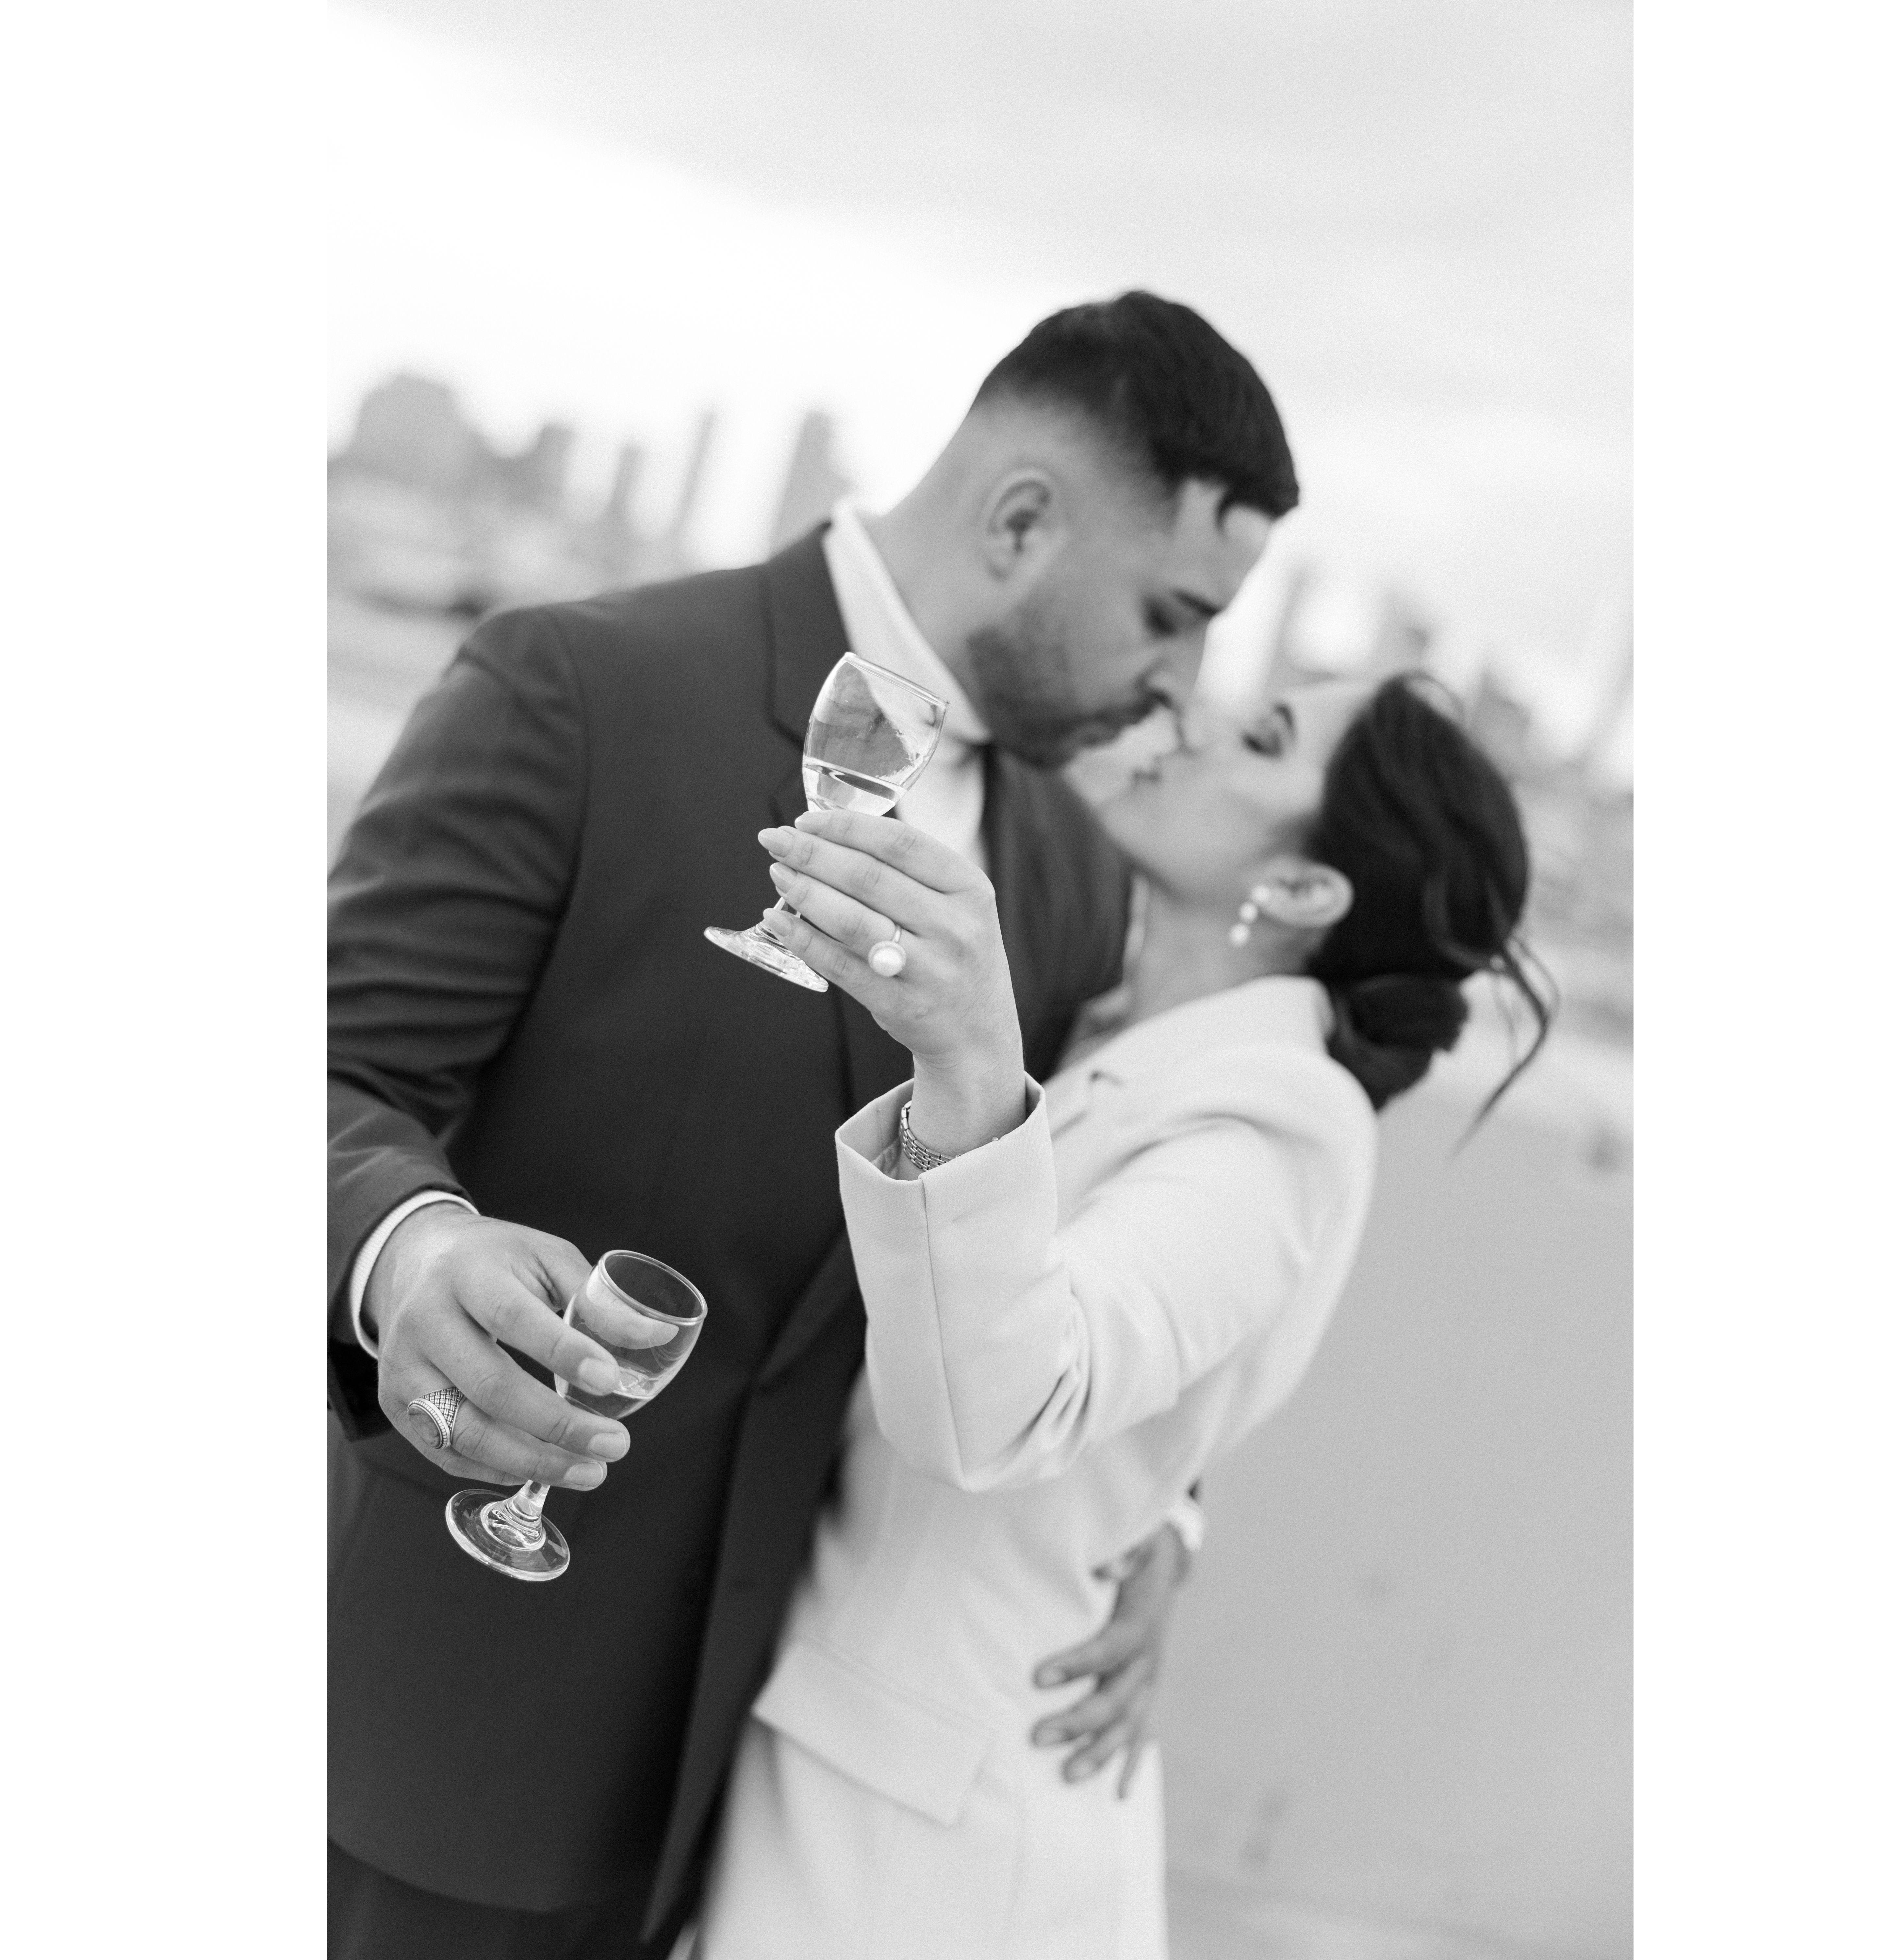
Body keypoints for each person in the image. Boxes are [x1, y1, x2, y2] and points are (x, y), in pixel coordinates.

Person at [327, 292, 1298, 1958]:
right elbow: (329, 1074)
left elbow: (1053, 1247)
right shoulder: (585, 686)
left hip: (767, 1804)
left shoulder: (1076, 881)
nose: (1181, 684)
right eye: (1172, 613)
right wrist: (408, 1253)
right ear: (1020, 522)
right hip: (445, 1728)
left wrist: (1163, 1518)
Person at [692, 673, 1550, 1958]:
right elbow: (1145, 1379)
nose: (1196, 713)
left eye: (1262, 738)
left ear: (1303, 888)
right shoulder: (1119, 1019)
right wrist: (1166, 1517)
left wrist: (967, 1065)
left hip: (929, 1851)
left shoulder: (1285, 1116)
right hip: (848, 1760)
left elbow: (1012, 1406)